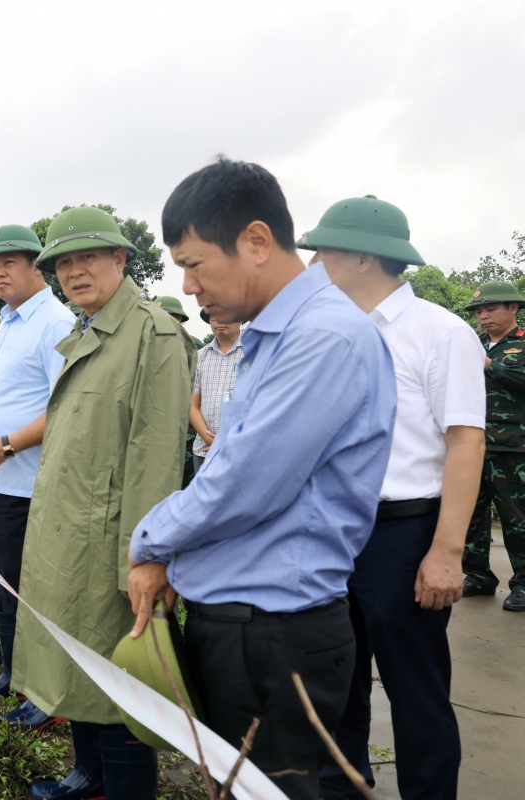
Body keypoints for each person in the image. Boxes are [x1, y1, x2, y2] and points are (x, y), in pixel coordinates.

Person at [128, 158, 396, 800]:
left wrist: (150, 540)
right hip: (247, 626)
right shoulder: (274, 336)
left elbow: (243, 485)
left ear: (254, 240)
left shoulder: (324, 338)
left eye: (194, 264)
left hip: (272, 636)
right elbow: (227, 464)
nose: (188, 287)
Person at [301, 195, 485, 800]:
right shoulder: (330, 333)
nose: (310, 266)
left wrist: (446, 552)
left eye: (320, 252)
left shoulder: (439, 332)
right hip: (333, 532)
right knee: (336, 683)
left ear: (360, 257)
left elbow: (464, 442)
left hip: (404, 534)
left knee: (416, 693)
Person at [13, 206, 194, 800]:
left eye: (88, 256)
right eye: (63, 263)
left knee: (118, 684)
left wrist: (143, 560)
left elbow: (155, 457)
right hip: (68, 542)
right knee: (79, 669)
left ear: (121, 258)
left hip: (113, 548)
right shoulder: (87, 330)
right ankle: (87, 775)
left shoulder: (153, 334)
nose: (74, 271)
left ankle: (123, 789)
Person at [0, 224, 72, 732]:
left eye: (7, 263)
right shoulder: (8, 322)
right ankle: (14, 672)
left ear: (36, 265)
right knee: (2, 581)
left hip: (20, 483)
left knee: (27, 590)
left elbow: (64, 407)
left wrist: (6, 445)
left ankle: (44, 692)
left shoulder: (54, 322)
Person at [462, 281, 525, 611]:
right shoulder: (474, 344)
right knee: (472, 513)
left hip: (512, 447)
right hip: (472, 444)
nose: (482, 316)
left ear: (512, 308)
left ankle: (524, 585)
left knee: (517, 519)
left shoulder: (521, 343)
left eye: (490, 309)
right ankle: (477, 576)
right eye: (478, 312)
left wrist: (492, 366)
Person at [155, 295, 205, 488]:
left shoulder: (194, 346)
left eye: (168, 316)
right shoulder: (146, 345)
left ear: (179, 319)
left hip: (187, 430)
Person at [189, 310, 243, 476]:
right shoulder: (200, 357)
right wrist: (209, 438)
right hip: (205, 452)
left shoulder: (255, 354)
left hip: (242, 451)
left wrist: (228, 440)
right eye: (215, 316)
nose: (220, 320)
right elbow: (192, 406)